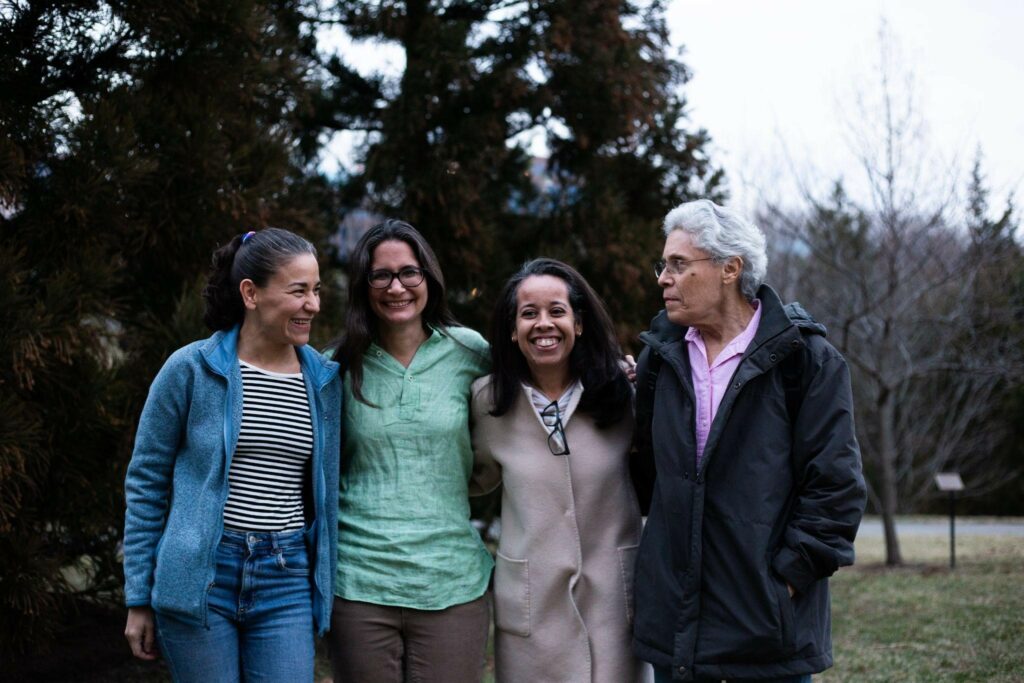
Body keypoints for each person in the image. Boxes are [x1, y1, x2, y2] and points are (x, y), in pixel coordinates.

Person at [630, 199, 866, 683]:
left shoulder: (807, 360)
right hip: (675, 633)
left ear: (729, 269)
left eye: (678, 264)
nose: (662, 278)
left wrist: (784, 584)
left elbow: (837, 488)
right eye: (663, 264)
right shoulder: (659, 358)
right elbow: (643, 473)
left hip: (767, 635)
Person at [123, 228, 342, 682]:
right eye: (298, 291)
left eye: (316, 290)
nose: (314, 305)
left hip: (286, 578)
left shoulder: (324, 382)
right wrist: (138, 596)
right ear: (251, 293)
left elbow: (328, 491)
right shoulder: (190, 369)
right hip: (201, 574)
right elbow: (146, 481)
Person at [328, 219, 492, 683]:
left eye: (409, 273)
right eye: (381, 275)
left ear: (429, 278)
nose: (396, 287)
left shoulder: (471, 352)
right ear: (364, 285)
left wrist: (612, 371)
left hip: (452, 582)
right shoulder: (335, 366)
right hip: (359, 584)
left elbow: (541, 387)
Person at [471, 258, 642, 683]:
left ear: (578, 323)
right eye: (529, 313)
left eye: (557, 311)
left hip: (615, 608)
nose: (543, 324)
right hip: (532, 612)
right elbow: (472, 481)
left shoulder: (622, 391)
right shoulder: (487, 401)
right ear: (512, 330)